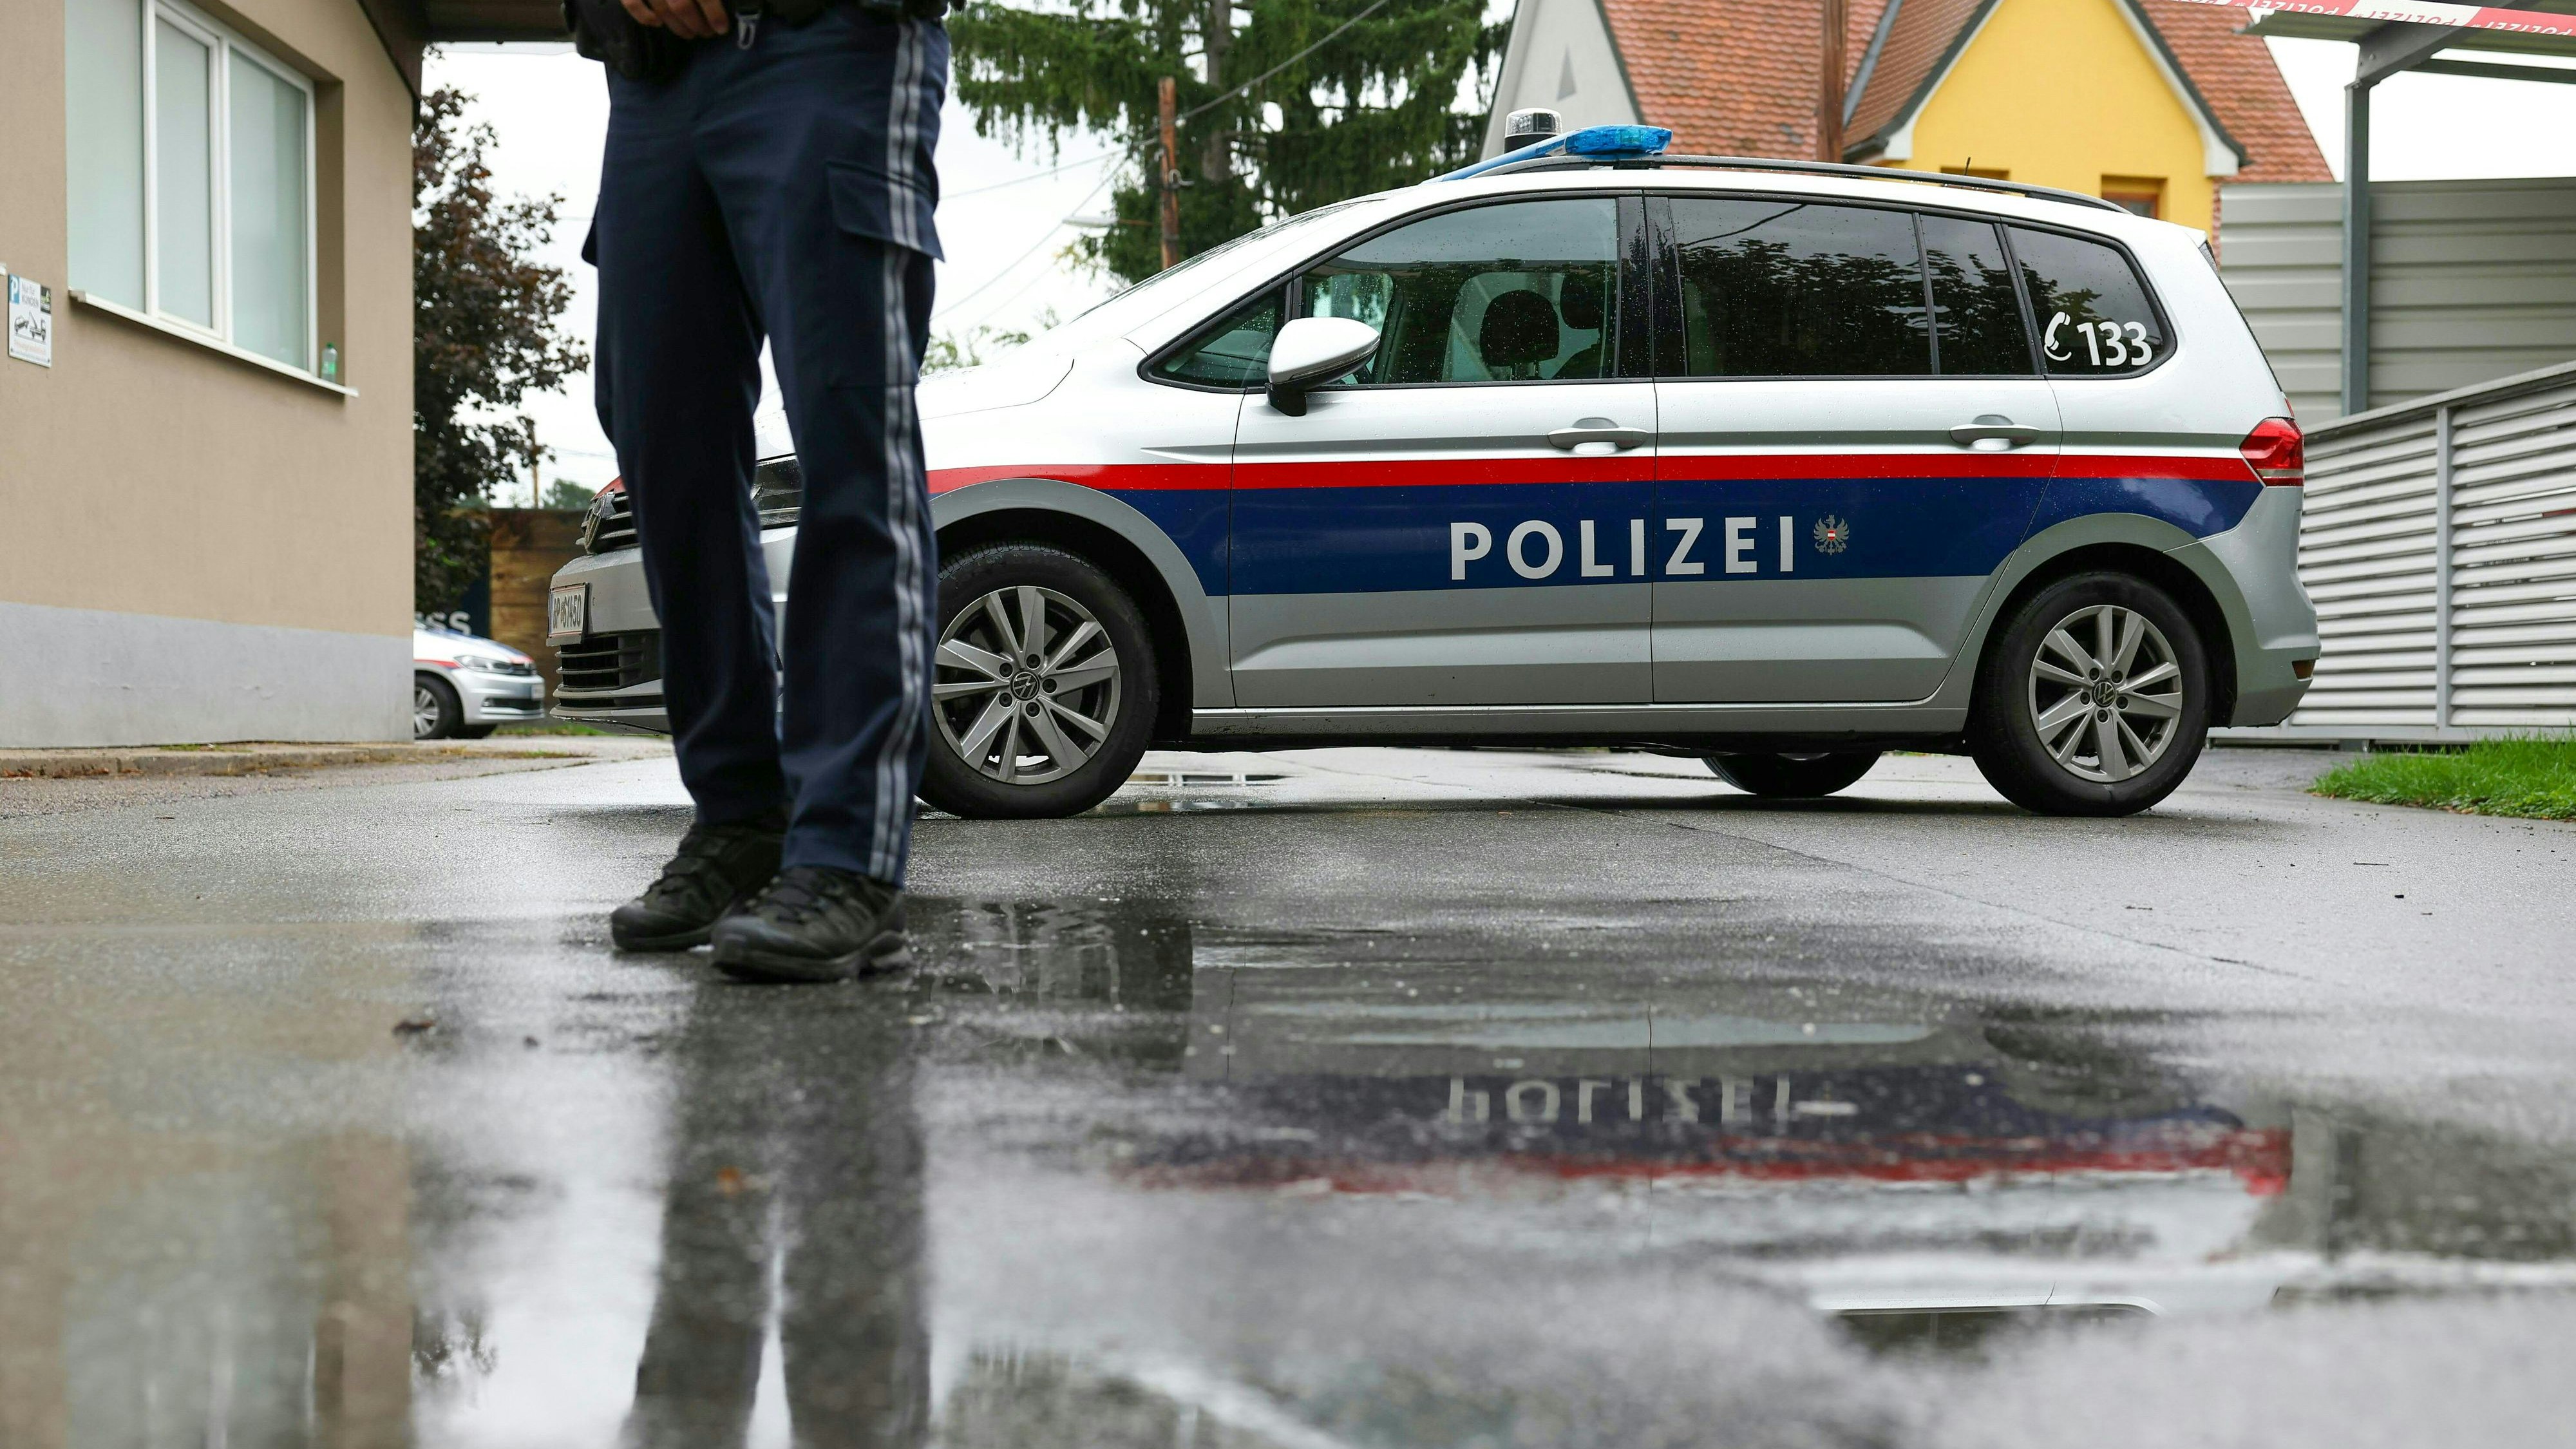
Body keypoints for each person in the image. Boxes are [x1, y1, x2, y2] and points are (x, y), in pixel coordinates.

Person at [583, 0, 947, 981]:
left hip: (828, 44)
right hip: (653, 77)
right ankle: (740, 813)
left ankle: (848, 856)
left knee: (849, 441)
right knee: (660, 441)